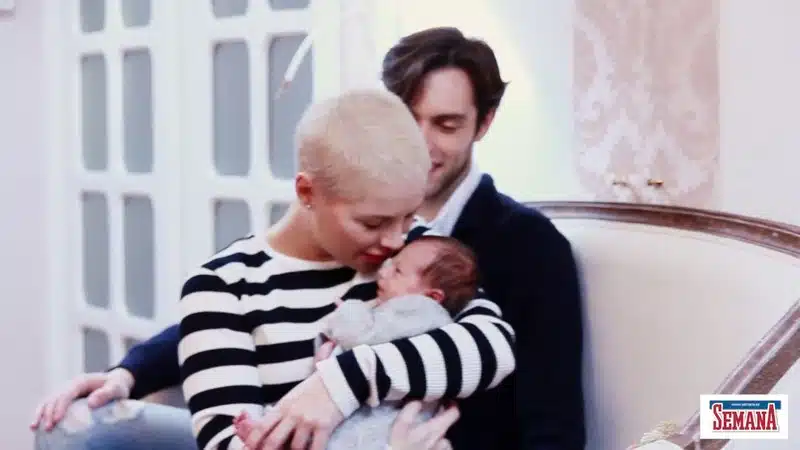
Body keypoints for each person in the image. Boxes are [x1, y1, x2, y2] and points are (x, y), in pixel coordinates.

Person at [32, 26, 586, 449]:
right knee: (73, 430)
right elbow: (240, 309)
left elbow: (510, 364)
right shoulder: (282, 265)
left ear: (482, 124)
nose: (393, 243)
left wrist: (340, 382)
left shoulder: (512, 245)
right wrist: (130, 370)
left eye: (445, 123)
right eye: (374, 222)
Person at [234, 235, 480, 449]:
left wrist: (348, 311)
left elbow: (364, 338)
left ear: (433, 296)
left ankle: (271, 437)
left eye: (397, 271)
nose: (383, 271)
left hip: (386, 419)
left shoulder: (422, 312)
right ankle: (270, 435)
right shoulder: (406, 309)